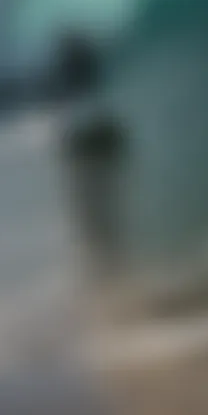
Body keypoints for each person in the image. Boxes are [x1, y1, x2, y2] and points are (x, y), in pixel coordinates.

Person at [53, 29, 127, 283]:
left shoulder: (73, 71)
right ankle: (110, 271)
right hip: (94, 138)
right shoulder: (84, 70)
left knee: (96, 214)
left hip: (88, 140)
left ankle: (107, 271)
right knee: (101, 213)